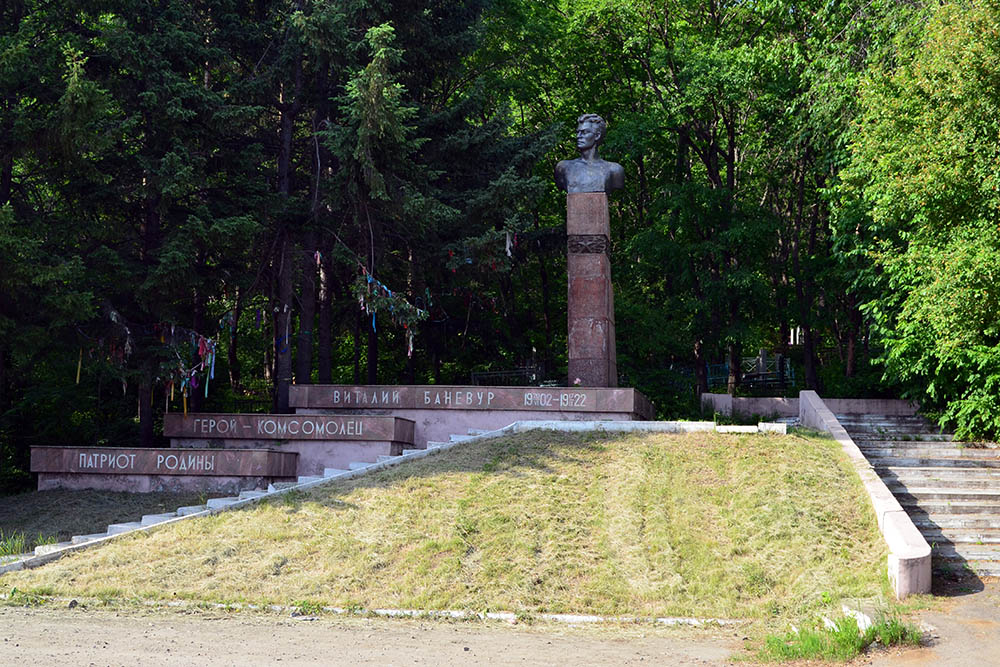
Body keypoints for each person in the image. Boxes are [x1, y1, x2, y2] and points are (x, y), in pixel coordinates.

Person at [554, 113, 625, 194]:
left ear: (597, 136)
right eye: (578, 132)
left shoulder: (614, 170)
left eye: (584, 132)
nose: (578, 136)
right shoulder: (564, 168)